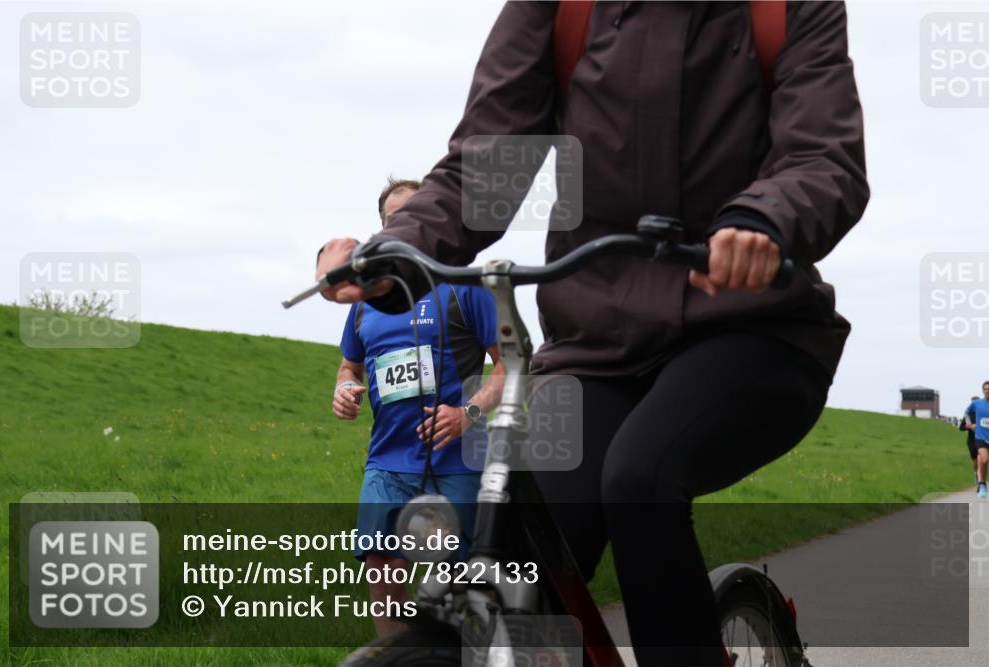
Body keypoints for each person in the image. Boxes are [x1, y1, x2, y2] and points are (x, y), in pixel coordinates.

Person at [316, 3, 868, 664]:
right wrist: (398, 246)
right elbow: (486, 163)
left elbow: (824, 156)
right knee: (526, 544)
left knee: (640, 478)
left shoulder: (786, 7)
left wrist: (765, 219)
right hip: (596, 345)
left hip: (753, 327)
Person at [329, 177, 505, 637]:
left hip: (458, 463)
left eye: (413, 217)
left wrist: (468, 414)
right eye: (393, 221)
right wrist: (345, 389)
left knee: (455, 583)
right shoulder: (367, 304)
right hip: (387, 461)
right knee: (382, 569)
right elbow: (350, 366)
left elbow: (507, 369)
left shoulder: (464, 287)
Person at [964, 381, 989, 499]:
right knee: (984, 460)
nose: (987, 391)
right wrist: (970, 425)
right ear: (983, 391)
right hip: (981, 437)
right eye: (985, 389)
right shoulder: (977, 403)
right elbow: (967, 412)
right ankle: (982, 484)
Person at [960, 395, 980, 485]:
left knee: (982, 460)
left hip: (982, 440)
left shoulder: (984, 413)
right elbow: (961, 427)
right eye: (973, 403)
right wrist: (970, 426)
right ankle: (976, 476)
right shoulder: (968, 415)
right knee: (975, 462)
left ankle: (981, 481)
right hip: (971, 441)